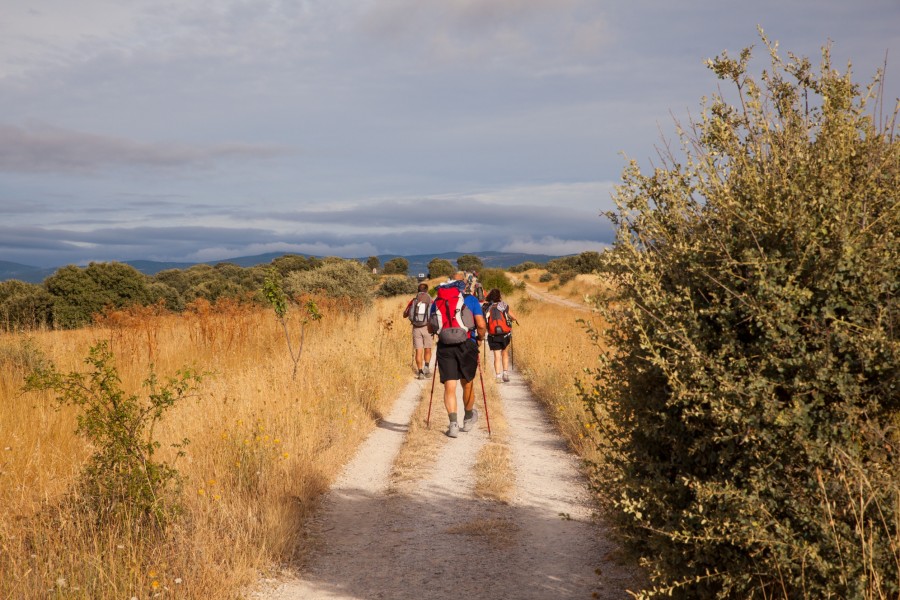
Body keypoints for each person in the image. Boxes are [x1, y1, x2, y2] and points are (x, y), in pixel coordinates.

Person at [429, 272, 487, 438]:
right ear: (463, 285)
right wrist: (480, 339)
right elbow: (481, 324)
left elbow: (430, 327)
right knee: (467, 383)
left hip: (445, 346)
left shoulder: (438, 301)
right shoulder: (470, 300)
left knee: (450, 386)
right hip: (467, 344)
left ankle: (453, 424)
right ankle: (468, 418)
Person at [482, 288, 517, 383]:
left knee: (496, 356)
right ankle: (505, 374)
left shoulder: (486, 306)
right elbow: (514, 317)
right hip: (505, 334)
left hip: (493, 335)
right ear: (499, 296)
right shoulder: (504, 305)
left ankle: (498, 376)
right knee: (504, 353)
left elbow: (483, 321)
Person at [402, 283, 433, 379]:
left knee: (418, 351)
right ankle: (426, 368)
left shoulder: (413, 301)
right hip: (428, 327)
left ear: (418, 290)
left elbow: (405, 314)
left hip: (416, 328)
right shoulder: (430, 301)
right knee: (428, 348)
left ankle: (420, 372)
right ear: (427, 291)